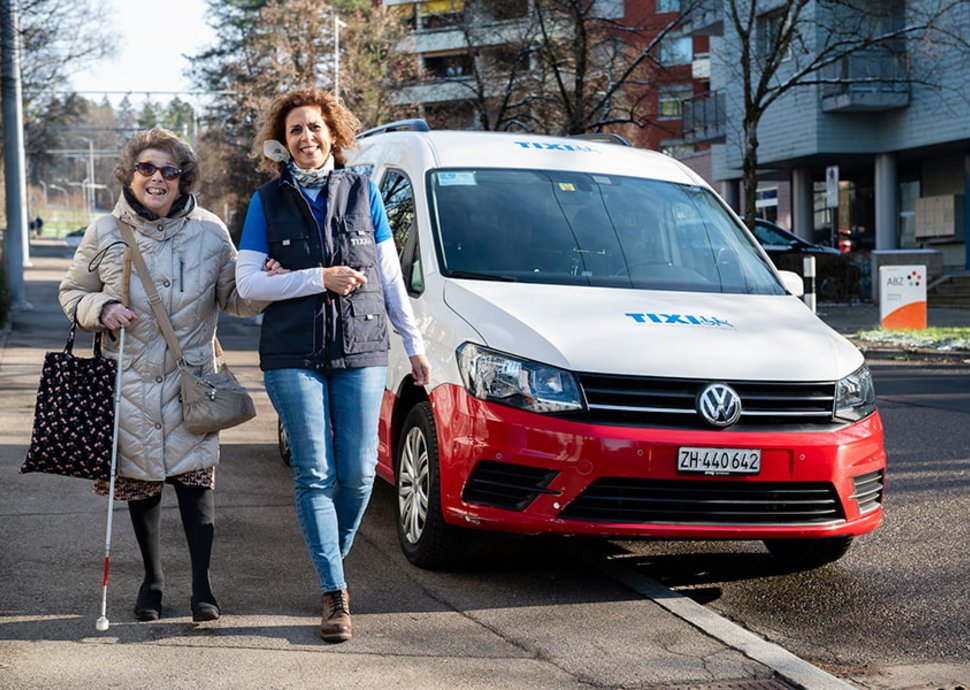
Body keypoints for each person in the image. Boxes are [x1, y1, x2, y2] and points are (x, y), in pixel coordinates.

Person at [234, 88, 431, 643]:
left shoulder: (363, 191)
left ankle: (330, 563)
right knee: (315, 471)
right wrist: (317, 278)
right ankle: (334, 593)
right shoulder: (266, 202)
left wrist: (413, 345)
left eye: (315, 127)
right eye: (295, 129)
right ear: (283, 141)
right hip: (292, 353)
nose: (307, 137)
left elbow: (390, 278)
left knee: (361, 471)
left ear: (333, 134)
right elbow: (249, 284)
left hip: (363, 347)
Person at [59, 128, 265, 623]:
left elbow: (235, 299)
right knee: (142, 484)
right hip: (128, 380)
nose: (157, 178)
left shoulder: (211, 230)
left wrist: (266, 282)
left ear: (182, 180)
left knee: (196, 486)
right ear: (131, 175)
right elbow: (71, 292)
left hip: (191, 380)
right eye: (147, 168)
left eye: (168, 171)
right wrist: (101, 305)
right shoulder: (105, 232)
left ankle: (203, 588)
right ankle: (151, 583)